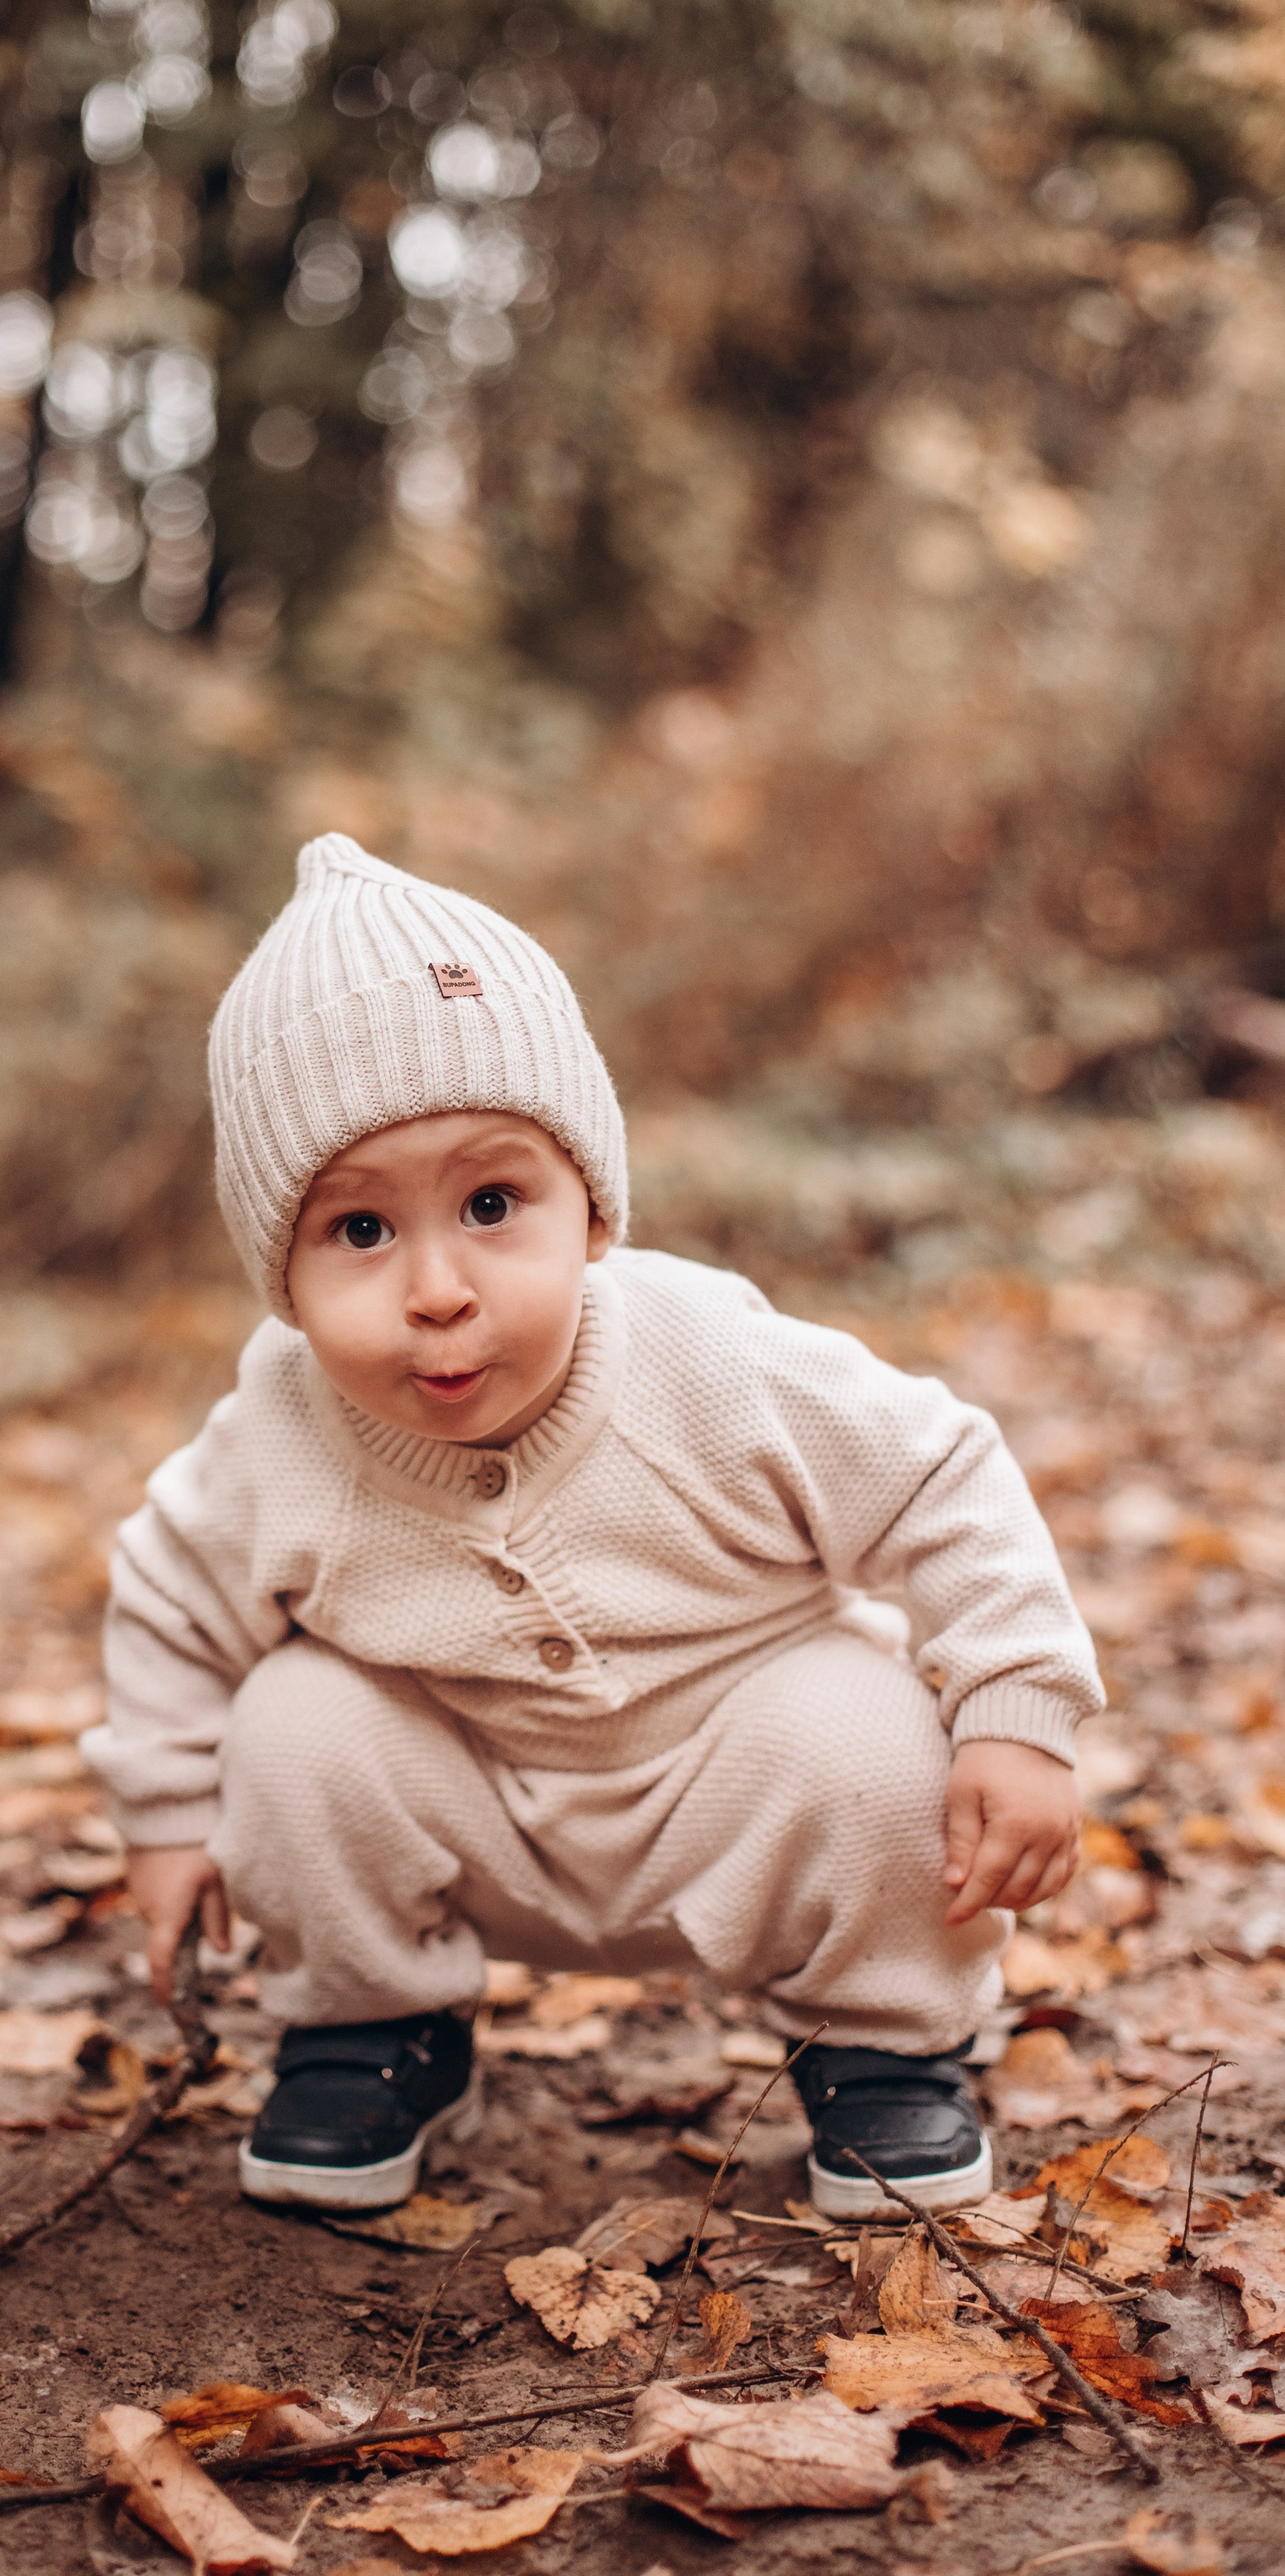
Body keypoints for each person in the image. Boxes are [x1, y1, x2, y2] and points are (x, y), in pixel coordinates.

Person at [81, 834, 1098, 2218]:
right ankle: (371, 2032)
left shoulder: (712, 1360)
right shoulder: (279, 1429)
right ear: (282, 1276)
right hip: (470, 1802)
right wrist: (162, 1821)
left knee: (865, 1730)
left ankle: (881, 2046)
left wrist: (1015, 1714)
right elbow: (167, 1596)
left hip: (739, 1784)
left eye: (492, 1206)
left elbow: (939, 1480)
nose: (438, 1288)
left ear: (593, 1211)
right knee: (294, 1724)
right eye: (360, 1232)